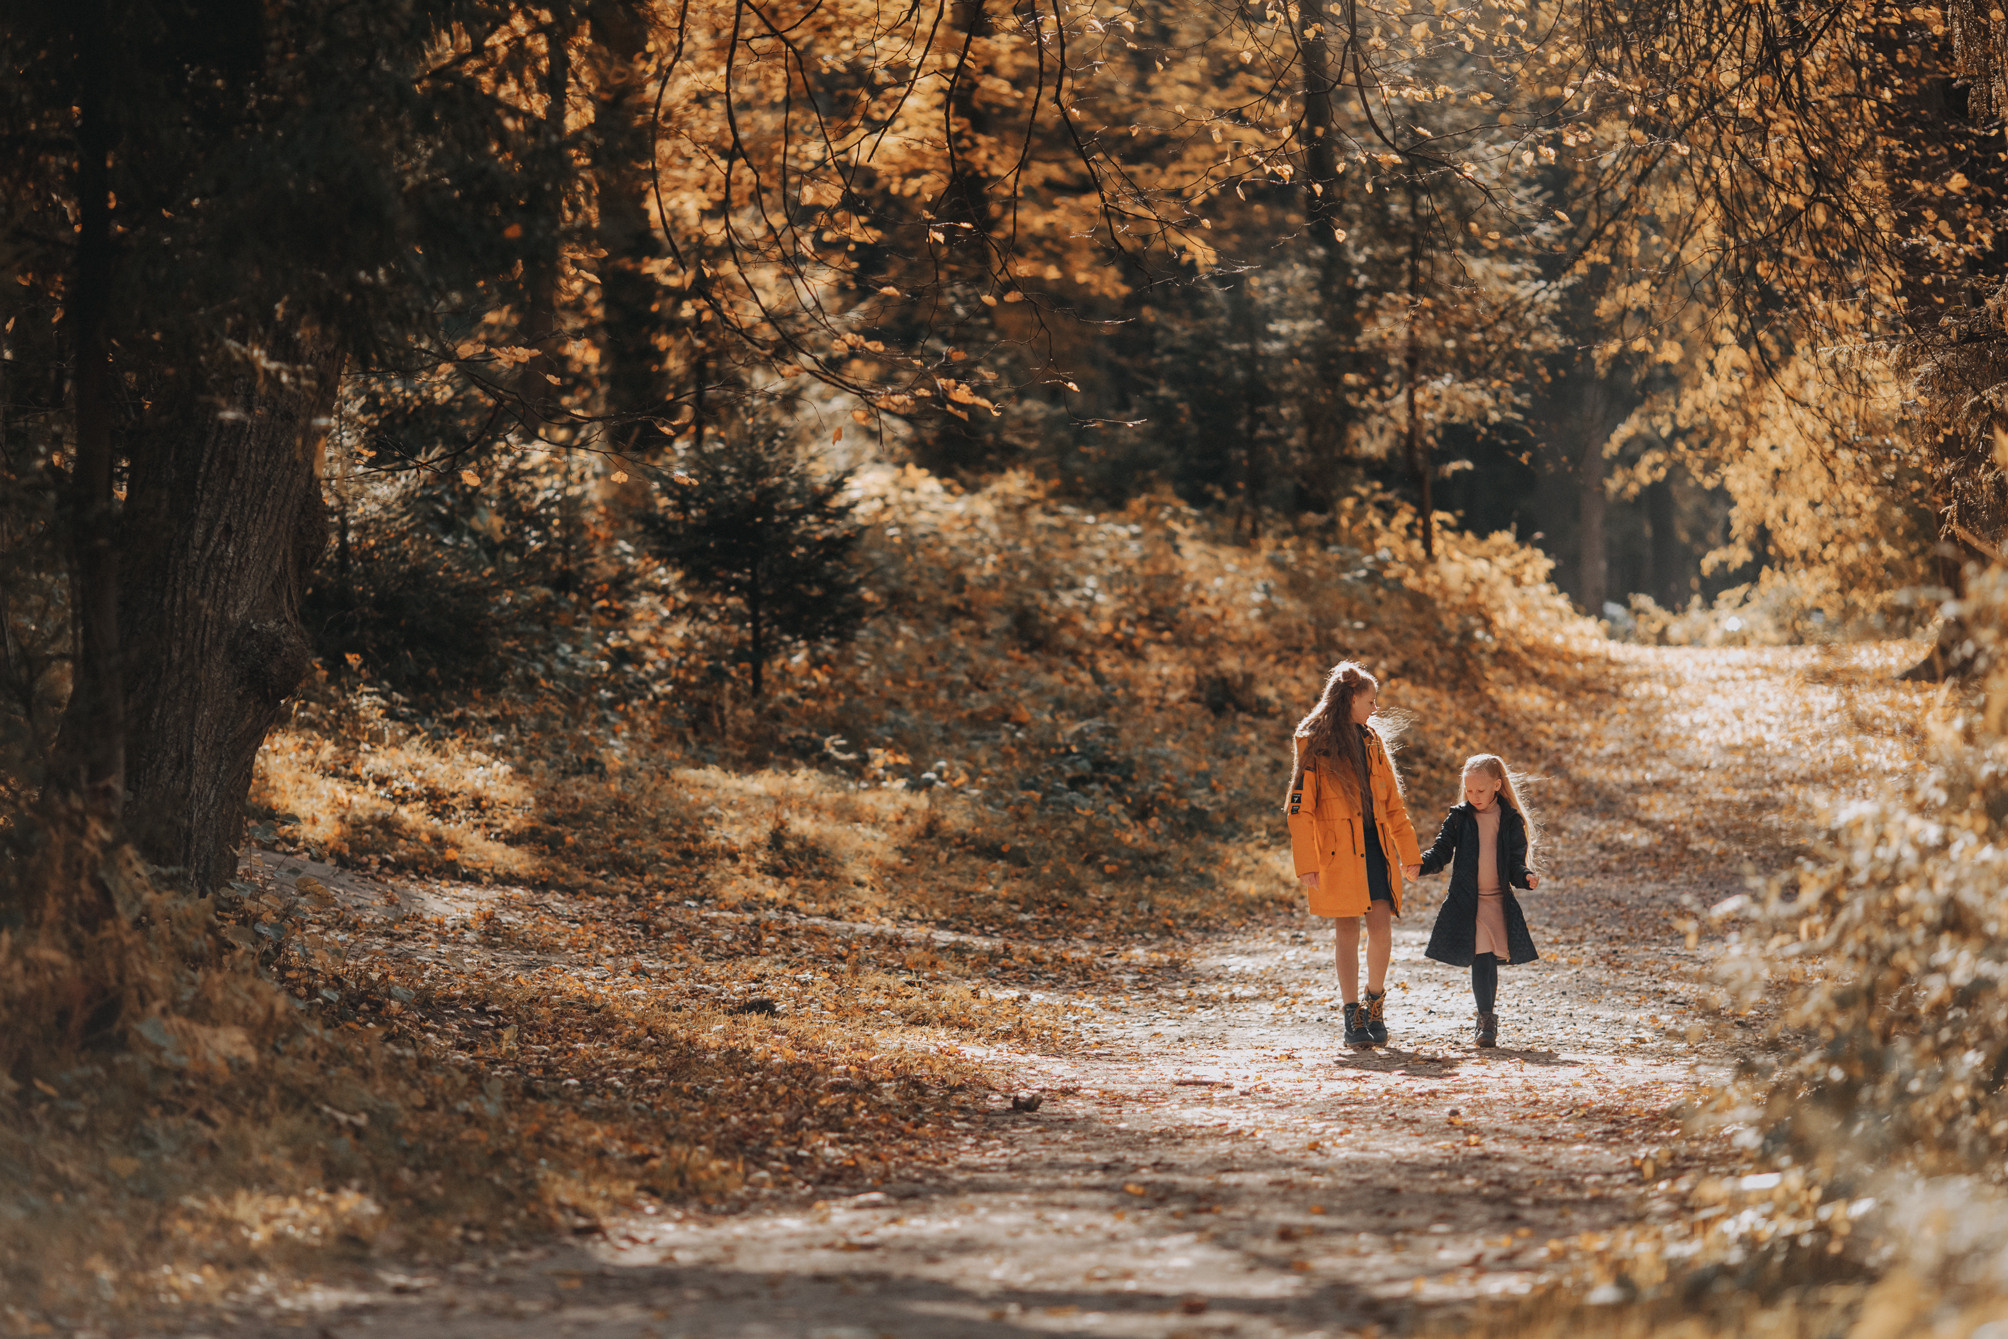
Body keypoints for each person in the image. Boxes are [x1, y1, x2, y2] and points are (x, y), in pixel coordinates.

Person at [1285, 662, 1423, 1049]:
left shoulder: (1373, 742)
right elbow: (1299, 808)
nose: (1374, 709)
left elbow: (1394, 805)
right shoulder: (1315, 743)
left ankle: (1373, 1002)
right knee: (1346, 932)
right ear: (1349, 699)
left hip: (1375, 850)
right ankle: (1351, 1013)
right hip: (1337, 854)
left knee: (1381, 929)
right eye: (1370, 701)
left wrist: (1409, 854)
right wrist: (1307, 864)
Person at [1415, 754, 1542, 1048]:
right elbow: (1441, 852)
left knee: (1489, 961)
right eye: (1469, 790)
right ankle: (1486, 1020)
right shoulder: (1459, 818)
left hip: (1497, 901)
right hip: (1469, 902)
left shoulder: (1510, 820)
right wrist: (1419, 866)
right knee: (1481, 958)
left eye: (1480, 791)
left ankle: (1487, 1019)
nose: (1474, 797)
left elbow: (1514, 863)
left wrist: (1525, 878)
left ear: (1497, 785)